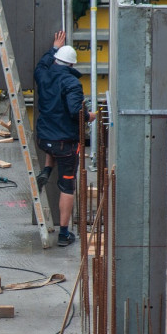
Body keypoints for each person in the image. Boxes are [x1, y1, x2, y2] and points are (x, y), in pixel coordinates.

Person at [34, 31, 96, 247]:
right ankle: (63, 234)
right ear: (71, 65)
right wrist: (90, 116)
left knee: (54, 144)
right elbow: (75, 113)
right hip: (65, 144)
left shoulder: (44, 74)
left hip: (44, 139)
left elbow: (41, 66)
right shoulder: (72, 83)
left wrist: (53, 47)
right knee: (67, 187)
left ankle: (47, 170)